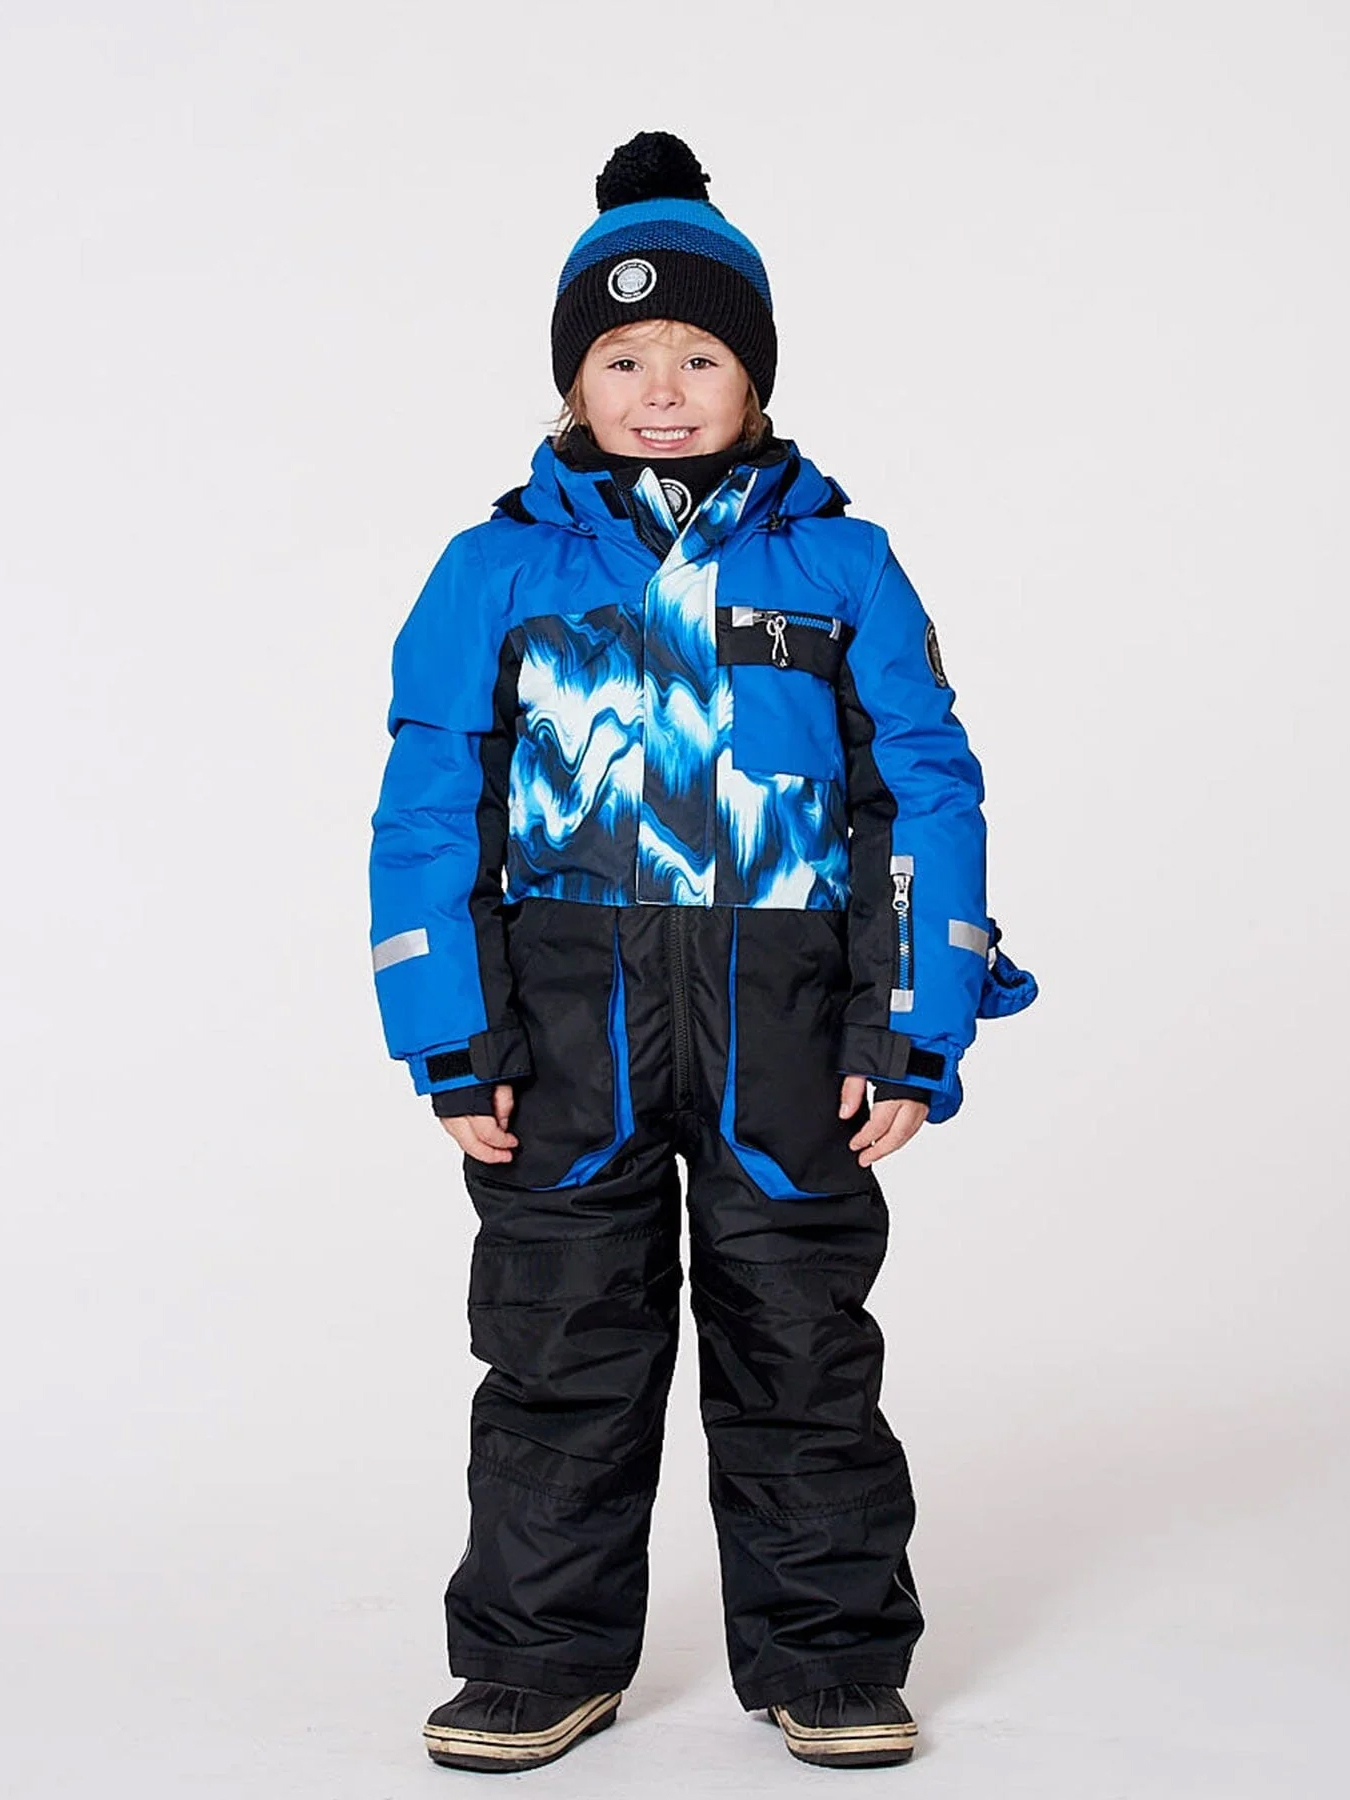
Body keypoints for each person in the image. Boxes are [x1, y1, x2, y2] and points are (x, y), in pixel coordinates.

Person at [368, 129, 1039, 1775]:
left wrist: (914, 1025)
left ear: (753, 376)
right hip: (564, 1032)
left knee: (800, 1349)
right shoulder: (492, 568)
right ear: (570, 381)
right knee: (557, 1349)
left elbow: (921, 794)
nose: (660, 391)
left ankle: (829, 1654)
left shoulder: (838, 561)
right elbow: (428, 805)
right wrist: (450, 1040)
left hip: (785, 1025)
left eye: (699, 357)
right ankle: (536, 1660)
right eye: (621, 359)